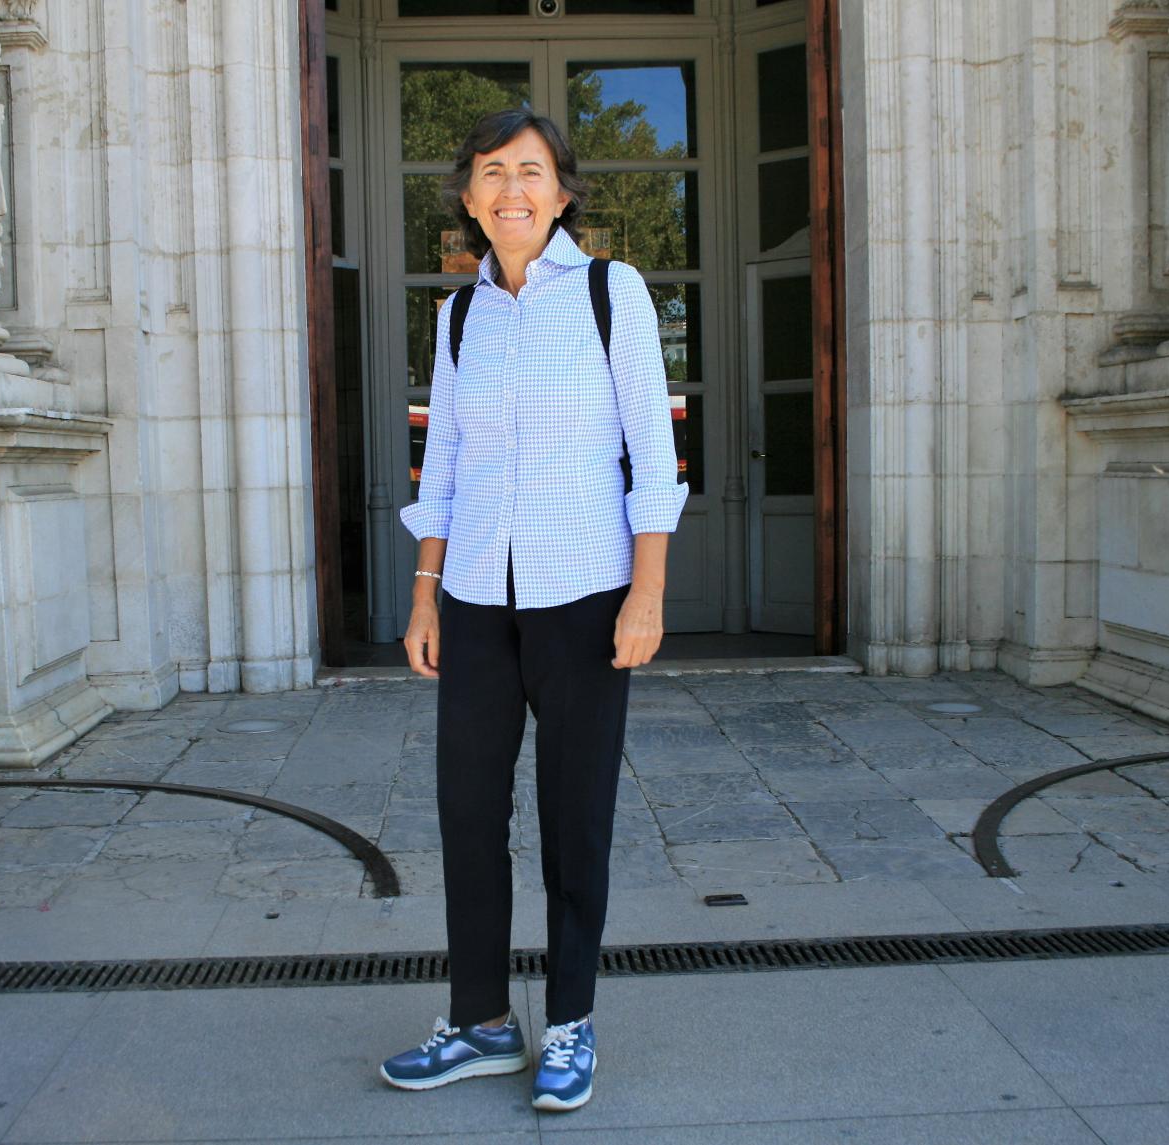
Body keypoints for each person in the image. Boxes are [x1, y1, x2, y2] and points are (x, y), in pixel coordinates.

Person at [378, 108, 687, 1112]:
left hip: (585, 594)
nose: (510, 188)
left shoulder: (610, 291)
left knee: (573, 815)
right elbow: (445, 460)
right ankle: (479, 1021)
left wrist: (647, 592)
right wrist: (424, 593)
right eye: (491, 172)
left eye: (530, 170)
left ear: (561, 192)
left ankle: (569, 1022)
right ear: (469, 196)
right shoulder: (459, 315)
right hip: (474, 596)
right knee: (467, 812)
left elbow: (652, 450)